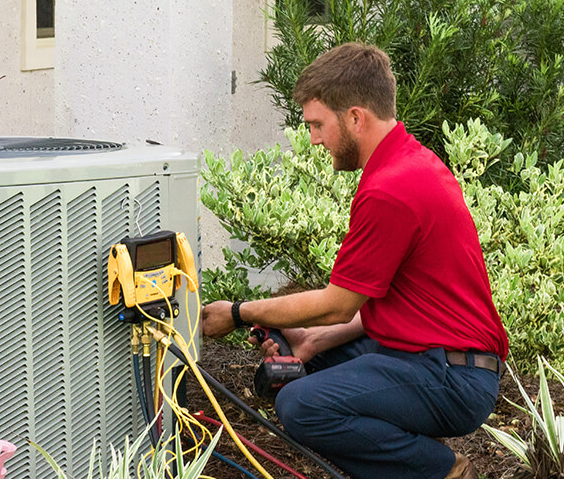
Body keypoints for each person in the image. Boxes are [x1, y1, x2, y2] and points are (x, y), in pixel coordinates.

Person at [200, 42, 508, 479]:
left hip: (453, 377)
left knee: (300, 406)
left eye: (317, 124)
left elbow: (338, 304)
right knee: (299, 357)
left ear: (355, 117)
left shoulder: (390, 190)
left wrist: (236, 312)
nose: (314, 139)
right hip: (434, 354)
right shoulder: (410, 162)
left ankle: (440, 471)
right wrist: (311, 342)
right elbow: (378, 302)